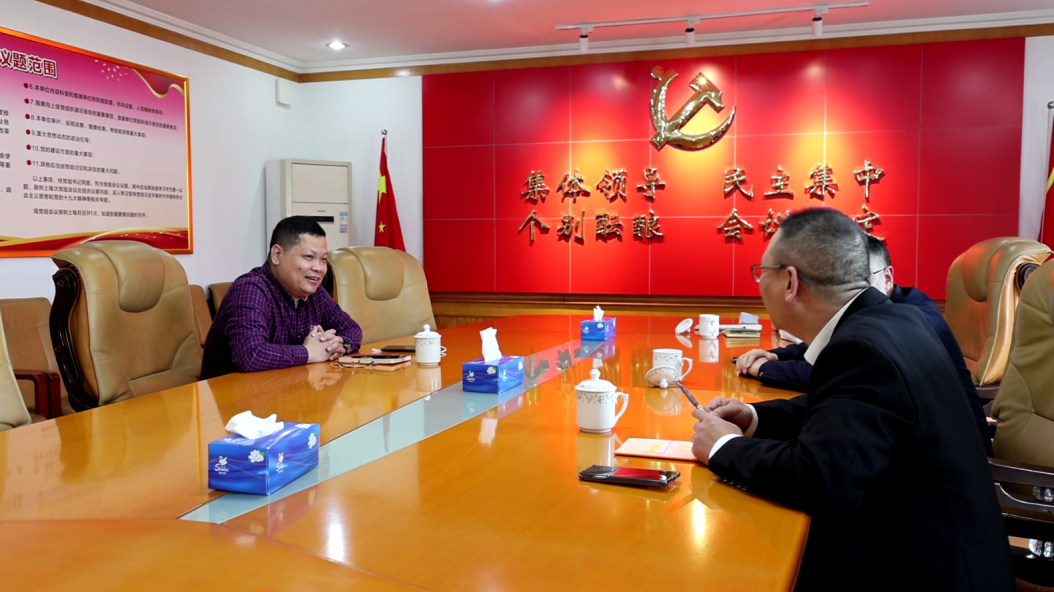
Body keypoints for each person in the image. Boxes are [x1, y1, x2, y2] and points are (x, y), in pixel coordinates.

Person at [691, 208, 1012, 591]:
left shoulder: (860, 349)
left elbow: (819, 481)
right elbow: (844, 412)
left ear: (790, 282)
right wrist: (753, 416)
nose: (759, 284)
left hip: (925, 574)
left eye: (762, 273)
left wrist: (723, 447)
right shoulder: (896, 320)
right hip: (952, 553)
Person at [736, 234, 993, 455]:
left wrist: (765, 369)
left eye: (859, 280)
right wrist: (775, 356)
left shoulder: (911, 321)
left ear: (887, 278)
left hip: (947, 464)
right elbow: (833, 352)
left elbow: (836, 371)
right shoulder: (884, 313)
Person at [201, 216, 362, 380]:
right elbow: (250, 355)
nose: (319, 268)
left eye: (323, 259)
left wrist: (340, 345)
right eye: (309, 257)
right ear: (277, 254)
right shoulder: (250, 290)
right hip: (235, 394)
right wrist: (308, 352)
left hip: (285, 388)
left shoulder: (315, 293)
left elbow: (352, 329)